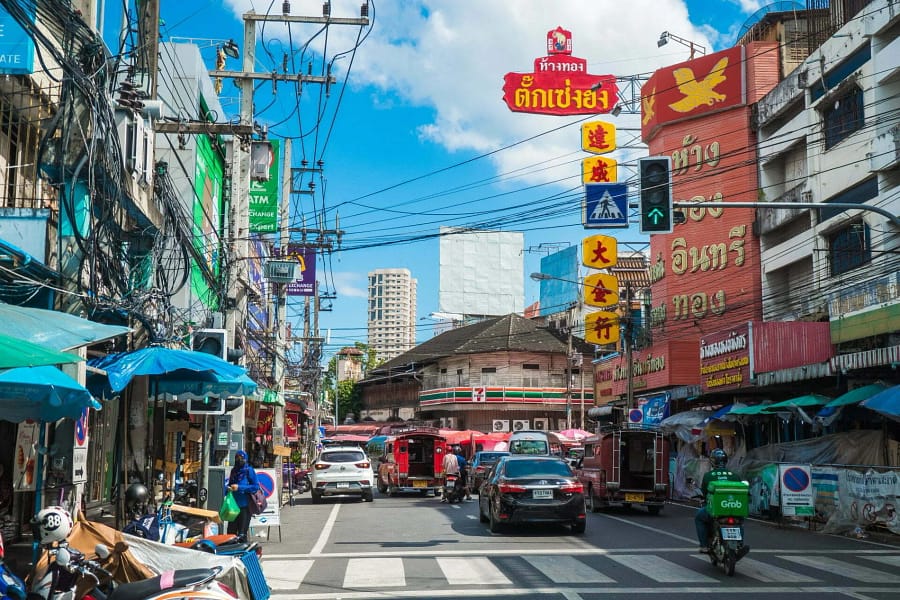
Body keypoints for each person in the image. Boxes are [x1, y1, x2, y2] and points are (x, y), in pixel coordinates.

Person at [694, 448, 742, 553]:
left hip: (715, 510)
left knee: (699, 517)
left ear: (712, 461)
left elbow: (705, 493)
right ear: (725, 461)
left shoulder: (708, 476)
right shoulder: (734, 476)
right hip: (734, 507)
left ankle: (704, 545)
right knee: (739, 520)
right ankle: (740, 543)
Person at [227, 450, 260, 539]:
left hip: (245, 507)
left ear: (246, 459)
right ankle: (232, 552)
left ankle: (243, 552)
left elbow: (255, 487)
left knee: (242, 534)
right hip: (233, 507)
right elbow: (230, 483)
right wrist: (229, 489)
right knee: (230, 534)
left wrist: (240, 487)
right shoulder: (234, 471)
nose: (239, 460)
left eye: (242, 458)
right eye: (237, 458)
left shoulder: (249, 470)